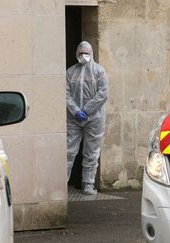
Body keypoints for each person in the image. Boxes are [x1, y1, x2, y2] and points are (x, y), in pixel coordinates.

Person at [66, 41, 108, 195]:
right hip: (73, 118)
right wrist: (76, 110)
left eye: (86, 53)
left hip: (94, 118)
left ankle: (88, 184)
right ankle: (63, 183)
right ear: (77, 54)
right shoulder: (70, 72)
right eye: (80, 53)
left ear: (91, 54)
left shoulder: (99, 71)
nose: (83, 56)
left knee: (91, 152)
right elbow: (66, 94)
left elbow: (103, 94)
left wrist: (87, 110)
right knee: (69, 151)